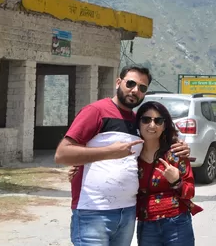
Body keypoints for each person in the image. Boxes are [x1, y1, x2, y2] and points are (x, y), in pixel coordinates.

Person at [54, 66, 190, 246]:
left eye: (142, 88)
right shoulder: (96, 111)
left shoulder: (138, 121)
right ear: (119, 82)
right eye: (131, 83)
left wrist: (181, 146)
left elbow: (156, 142)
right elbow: (62, 154)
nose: (135, 90)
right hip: (93, 213)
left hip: (127, 214)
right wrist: (108, 152)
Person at [135, 101, 202, 245]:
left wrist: (177, 181)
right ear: (138, 123)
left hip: (177, 221)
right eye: (146, 120)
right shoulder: (131, 157)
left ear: (164, 126)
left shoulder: (176, 153)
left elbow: (190, 192)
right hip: (147, 225)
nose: (152, 125)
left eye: (158, 121)